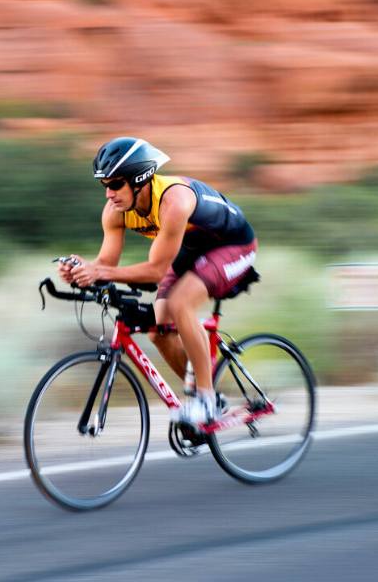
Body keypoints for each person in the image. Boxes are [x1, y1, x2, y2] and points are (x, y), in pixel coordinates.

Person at [59, 137, 257, 426]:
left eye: (115, 185)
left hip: (232, 245)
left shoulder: (174, 201)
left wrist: (100, 273)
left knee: (180, 304)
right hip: (190, 251)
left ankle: (205, 399)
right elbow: (106, 264)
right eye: (104, 186)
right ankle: (208, 391)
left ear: (138, 180)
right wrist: (82, 271)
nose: (109, 194)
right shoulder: (115, 212)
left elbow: (155, 271)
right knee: (158, 330)